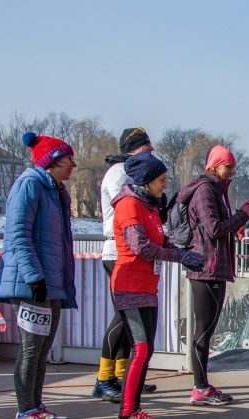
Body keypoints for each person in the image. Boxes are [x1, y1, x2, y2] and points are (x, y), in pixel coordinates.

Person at [110, 153, 204, 419]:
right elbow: (141, 246)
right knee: (140, 350)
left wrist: (184, 251)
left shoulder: (148, 206)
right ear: (147, 181)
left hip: (146, 287)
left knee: (145, 349)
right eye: (162, 180)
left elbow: (161, 240)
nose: (165, 185)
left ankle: (133, 409)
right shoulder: (129, 205)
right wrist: (180, 258)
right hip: (129, 285)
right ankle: (126, 414)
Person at [0, 132, 78, 419]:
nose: (74, 164)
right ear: (53, 160)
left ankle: (36, 406)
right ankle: (23, 412)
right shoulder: (29, 185)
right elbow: (18, 235)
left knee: (42, 349)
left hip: (50, 284)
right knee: (31, 350)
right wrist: (34, 277)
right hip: (32, 284)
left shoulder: (56, 191)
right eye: (69, 158)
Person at [178, 145, 249, 406]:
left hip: (212, 267)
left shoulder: (215, 189)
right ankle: (200, 387)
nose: (232, 172)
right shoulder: (206, 190)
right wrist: (244, 215)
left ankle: (202, 385)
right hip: (207, 268)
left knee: (206, 331)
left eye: (233, 167)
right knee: (203, 331)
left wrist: (240, 214)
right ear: (214, 166)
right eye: (228, 166)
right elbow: (214, 228)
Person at [94, 127, 158, 403]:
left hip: (129, 250)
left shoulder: (129, 170)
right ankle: (104, 377)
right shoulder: (120, 172)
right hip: (118, 249)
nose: (151, 150)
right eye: (146, 146)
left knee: (129, 319)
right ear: (134, 148)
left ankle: (123, 374)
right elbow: (131, 204)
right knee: (123, 317)